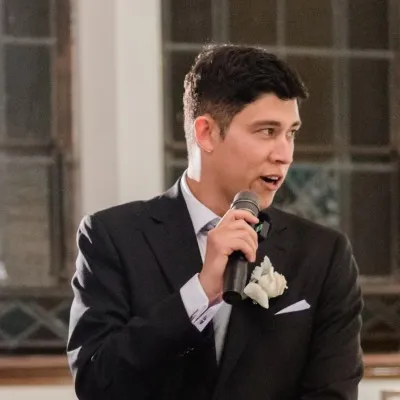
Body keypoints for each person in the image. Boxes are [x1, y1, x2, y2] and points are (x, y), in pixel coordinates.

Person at [67, 44, 363, 399]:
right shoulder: (112, 237)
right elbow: (97, 384)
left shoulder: (323, 254)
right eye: (267, 131)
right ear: (206, 133)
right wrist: (201, 292)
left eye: (291, 133)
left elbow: (333, 392)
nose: (284, 154)